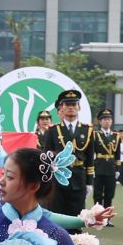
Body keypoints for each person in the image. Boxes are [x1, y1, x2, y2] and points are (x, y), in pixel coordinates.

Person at [37, 89, 92, 217]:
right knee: (57, 215)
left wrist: (90, 182)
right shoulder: (53, 130)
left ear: (79, 107)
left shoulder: (87, 130)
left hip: (79, 178)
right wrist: (46, 180)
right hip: (58, 179)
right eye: (67, 104)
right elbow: (47, 157)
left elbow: (89, 159)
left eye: (74, 104)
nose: (71, 107)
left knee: (77, 217)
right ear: (61, 108)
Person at [87, 108, 120, 210]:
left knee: (109, 193)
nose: (107, 121)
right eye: (104, 119)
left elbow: (118, 154)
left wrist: (118, 169)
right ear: (100, 121)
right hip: (99, 166)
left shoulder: (116, 136)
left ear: (112, 121)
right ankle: (97, 214)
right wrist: (91, 168)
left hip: (111, 167)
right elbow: (91, 153)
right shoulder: (95, 135)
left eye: (109, 119)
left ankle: (107, 215)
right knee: (97, 193)